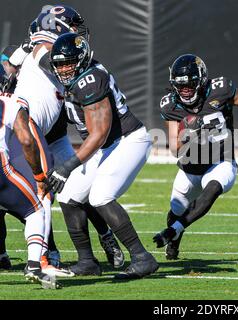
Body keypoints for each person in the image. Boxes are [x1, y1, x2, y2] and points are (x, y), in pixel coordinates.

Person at [7, 5, 125, 273]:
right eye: (72, 26)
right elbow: (33, 57)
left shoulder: (40, 46)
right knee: (43, 192)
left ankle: (105, 236)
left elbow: (17, 60)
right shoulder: (43, 46)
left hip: (55, 130)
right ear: (57, 26)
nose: (77, 33)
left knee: (74, 189)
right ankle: (47, 257)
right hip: (32, 125)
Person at [152, 54, 238, 260]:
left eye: (190, 85)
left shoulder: (220, 90)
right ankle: (175, 237)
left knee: (212, 189)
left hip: (221, 160)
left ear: (202, 80)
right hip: (190, 166)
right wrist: (190, 132)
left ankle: (174, 230)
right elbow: (175, 148)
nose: (185, 91)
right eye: (181, 87)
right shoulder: (170, 105)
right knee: (177, 208)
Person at [48, 33, 159, 279]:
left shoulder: (89, 79)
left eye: (68, 62)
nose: (64, 69)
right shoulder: (75, 79)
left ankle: (142, 257)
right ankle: (87, 261)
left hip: (127, 140)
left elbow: (99, 133)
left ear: (82, 58)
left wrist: (67, 166)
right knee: (69, 196)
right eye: (59, 64)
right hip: (106, 145)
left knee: (100, 196)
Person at [0, 63, 58, 288]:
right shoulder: (9, 103)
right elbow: (26, 140)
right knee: (35, 210)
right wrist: (39, 176)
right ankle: (35, 265)